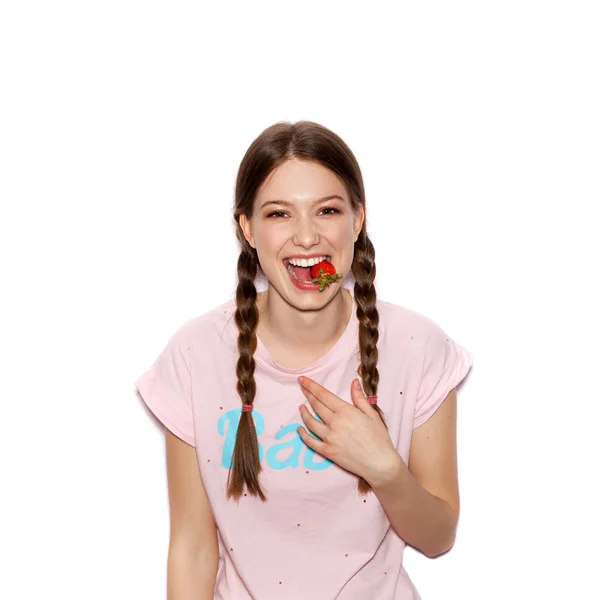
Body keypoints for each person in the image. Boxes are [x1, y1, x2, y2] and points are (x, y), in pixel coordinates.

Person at [134, 120, 474, 600]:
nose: (307, 237)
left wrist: (386, 470)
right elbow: (191, 547)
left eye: (327, 210)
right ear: (246, 228)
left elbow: (439, 538)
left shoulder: (417, 346)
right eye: (279, 214)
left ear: (357, 220)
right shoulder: (195, 355)